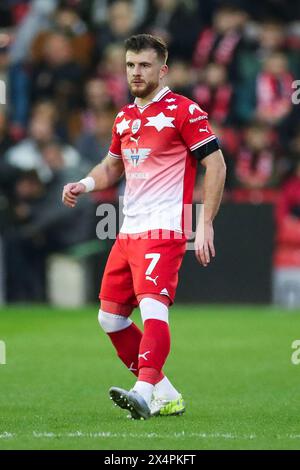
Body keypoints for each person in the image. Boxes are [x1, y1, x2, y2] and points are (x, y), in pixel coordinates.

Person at [62, 34, 226, 420]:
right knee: (110, 318)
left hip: (166, 228)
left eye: (145, 65)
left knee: (154, 308)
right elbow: (111, 167)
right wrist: (83, 184)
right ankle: (166, 392)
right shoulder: (124, 117)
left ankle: (144, 390)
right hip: (127, 230)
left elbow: (215, 164)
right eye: (131, 65)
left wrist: (205, 223)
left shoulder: (184, 111)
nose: (136, 72)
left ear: (162, 69)